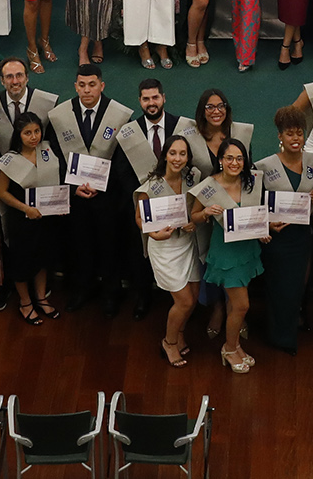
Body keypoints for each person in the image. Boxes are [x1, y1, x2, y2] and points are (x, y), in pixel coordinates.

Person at [47, 64, 133, 313]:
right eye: (81, 85)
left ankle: (111, 294)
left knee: (110, 245)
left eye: (92, 84)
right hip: (75, 195)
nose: (87, 90)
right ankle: (81, 289)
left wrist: (103, 185)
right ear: (75, 86)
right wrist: (71, 185)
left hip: (107, 195)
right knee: (79, 244)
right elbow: (55, 155)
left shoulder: (118, 114)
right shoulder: (60, 115)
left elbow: (124, 156)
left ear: (101, 85)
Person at [190, 138, 267, 374]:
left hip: (246, 249)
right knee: (242, 306)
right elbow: (194, 216)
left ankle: (235, 346)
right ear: (221, 161)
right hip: (225, 253)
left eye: (239, 158)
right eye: (229, 158)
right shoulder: (209, 185)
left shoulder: (251, 181)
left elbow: (256, 213)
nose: (235, 162)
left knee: (236, 306)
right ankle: (229, 349)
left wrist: (263, 230)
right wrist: (205, 212)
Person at [254, 105, 313, 355]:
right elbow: (256, 203)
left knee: (297, 287)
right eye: (290, 133)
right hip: (277, 238)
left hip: (302, 236)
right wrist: (267, 223)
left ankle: (292, 327)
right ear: (280, 136)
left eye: (299, 133)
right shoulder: (264, 166)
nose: (296, 138)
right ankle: (279, 336)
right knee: (279, 287)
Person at [0, 111, 64, 324]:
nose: (34, 137)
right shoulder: (9, 160)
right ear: (18, 135)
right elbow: (2, 192)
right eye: (27, 133)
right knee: (22, 261)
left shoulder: (48, 151)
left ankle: (41, 298)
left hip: (45, 218)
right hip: (22, 220)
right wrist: (25, 208)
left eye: (36, 131)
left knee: (42, 258)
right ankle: (25, 303)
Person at [139, 134, 202, 366]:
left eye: (182, 154)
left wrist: (194, 221)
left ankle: (180, 333)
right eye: (173, 153)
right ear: (165, 155)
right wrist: (154, 233)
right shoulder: (150, 185)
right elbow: (139, 218)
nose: (177, 158)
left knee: (194, 296)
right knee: (183, 301)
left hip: (188, 243)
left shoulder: (194, 178)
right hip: (164, 247)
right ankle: (169, 342)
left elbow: (198, 209)